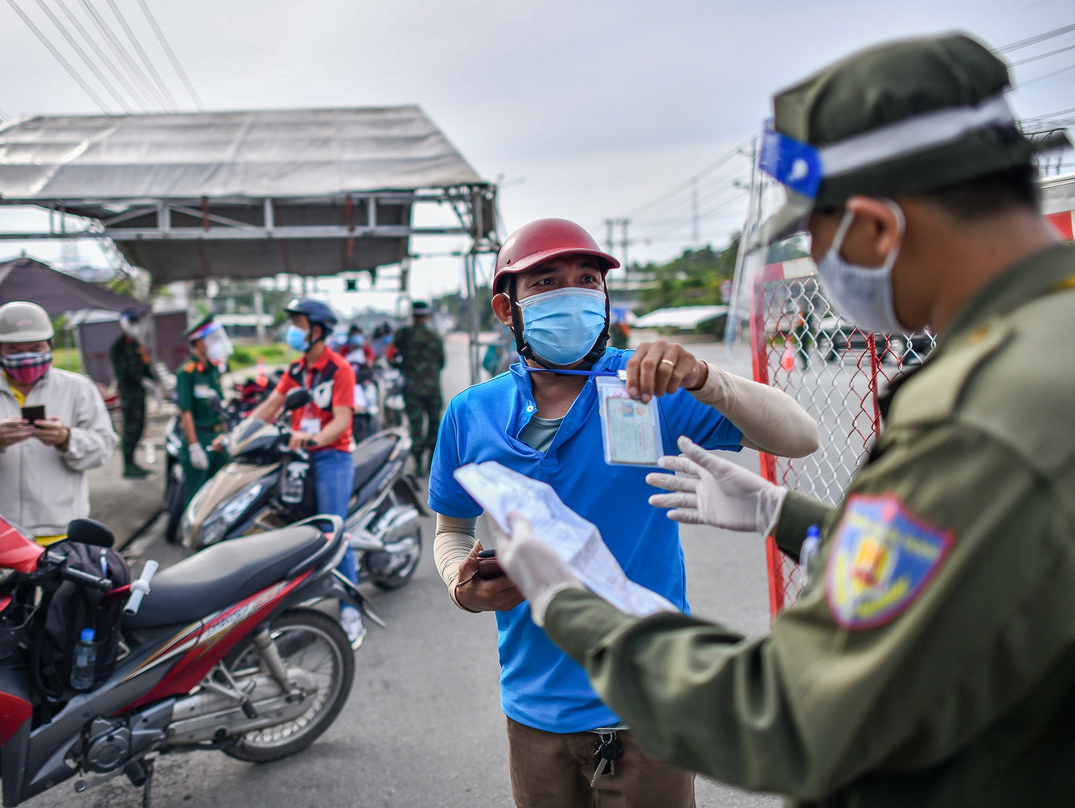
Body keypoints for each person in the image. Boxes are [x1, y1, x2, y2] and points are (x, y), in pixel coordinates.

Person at [491, 33, 1075, 807]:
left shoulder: (984, 414)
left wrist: (583, 610)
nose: (819, 258)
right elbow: (975, 570)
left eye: (815, 233)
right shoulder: (1043, 348)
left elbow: (792, 715)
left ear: (874, 227)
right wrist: (788, 515)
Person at [428, 217, 820, 808]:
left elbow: (800, 436)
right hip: (533, 708)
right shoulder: (471, 413)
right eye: (545, 282)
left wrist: (708, 380)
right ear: (507, 310)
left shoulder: (648, 385)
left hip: (649, 699)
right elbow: (451, 529)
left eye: (588, 279)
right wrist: (462, 582)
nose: (573, 293)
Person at [239, 298, 366, 648]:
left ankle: (350, 610)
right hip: (297, 458)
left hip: (330, 457)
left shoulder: (340, 369)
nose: (293, 331)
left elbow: (342, 418)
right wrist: (238, 434)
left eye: (299, 324)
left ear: (318, 330)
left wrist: (315, 439)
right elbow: (270, 405)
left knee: (333, 531)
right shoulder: (295, 370)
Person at [0, 301, 117, 544]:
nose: (26, 357)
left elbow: (103, 448)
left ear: (49, 346)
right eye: (15, 350)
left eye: (35, 348)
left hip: (63, 530)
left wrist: (66, 439)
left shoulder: (78, 388)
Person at [175, 315, 230, 509]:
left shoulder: (213, 370)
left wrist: (225, 433)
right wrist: (194, 446)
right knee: (196, 498)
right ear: (199, 342)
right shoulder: (187, 372)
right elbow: (186, 411)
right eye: (212, 339)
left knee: (221, 494)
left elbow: (220, 406)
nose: (216, 343)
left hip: (217, 438)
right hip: (200, 437)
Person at [391, 300, 445, 475]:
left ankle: (418, 465)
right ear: (427, 315)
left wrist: (402, 367)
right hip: (433, 390)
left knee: (416, 427)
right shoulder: (435, 337)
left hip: (412, 389)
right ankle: (431, 462)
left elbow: (390, 356)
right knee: (434, 426)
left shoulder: (403, 335)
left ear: (412, 315)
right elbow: (442, 362)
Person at [109, 309, 154, 478]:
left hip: (139, 393)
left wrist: (151, 381)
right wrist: (140, 380)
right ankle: (128, 465)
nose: (136, 326)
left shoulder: (136, 344)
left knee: (140, 426)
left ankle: (134, 462)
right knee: (130, 428)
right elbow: (123, 372)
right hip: (129, 394)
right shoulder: (118, 347)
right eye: (132, 323)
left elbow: (144, 365)